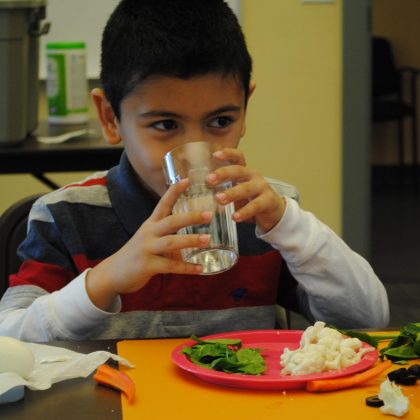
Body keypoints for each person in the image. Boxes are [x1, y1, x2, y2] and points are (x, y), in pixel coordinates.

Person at [0, 0, 389, 342]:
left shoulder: (266, 214)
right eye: (166, 125)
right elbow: (9, 339)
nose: (196, 154)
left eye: (220, 121)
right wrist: (104, 280)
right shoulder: (65, 216)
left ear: (244, 109)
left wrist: (288, 224)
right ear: (110, 118)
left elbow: (368, 318)